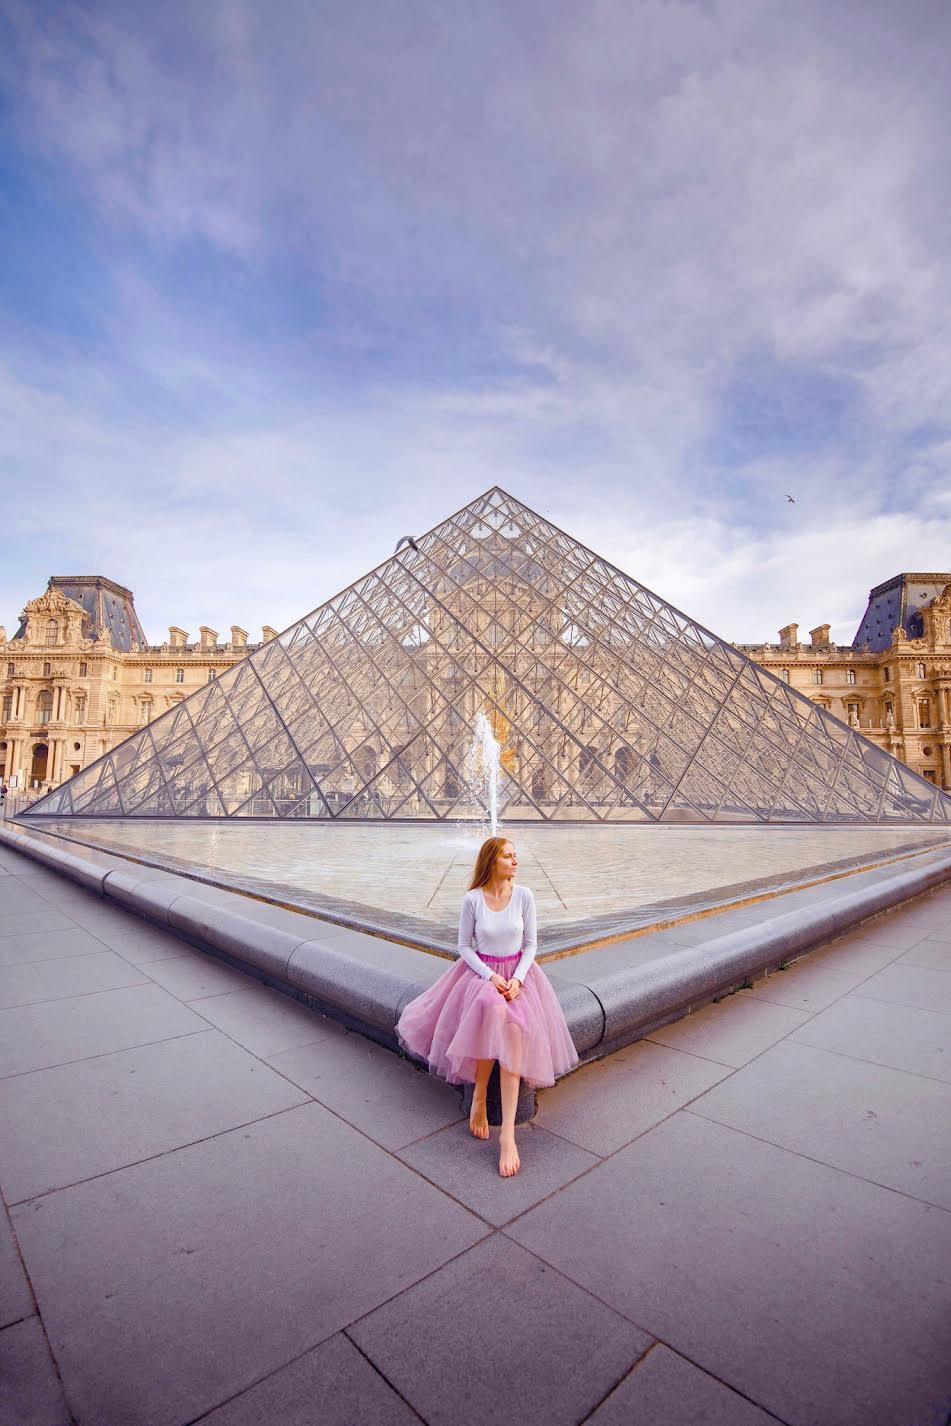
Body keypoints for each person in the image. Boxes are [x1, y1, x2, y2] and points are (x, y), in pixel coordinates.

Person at [397, 835, 578, 1177]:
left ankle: (507, 1134)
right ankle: (479, 1095)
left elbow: (531, 945)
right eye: (508, 856)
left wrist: (518, 980)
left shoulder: (524, 896)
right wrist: (491, 978)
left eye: (515, 856)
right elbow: (464, 948)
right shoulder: (472, 900)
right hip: (481, 976)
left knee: (509, 1028)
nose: (515, 861)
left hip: (519, 977)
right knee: (493, 1013)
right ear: (491, 860)